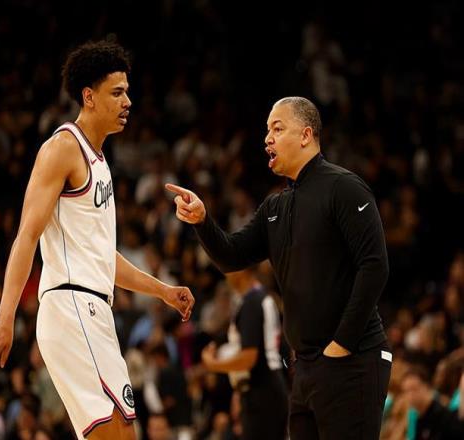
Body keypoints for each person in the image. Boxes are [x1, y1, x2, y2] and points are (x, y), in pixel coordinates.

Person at [0, 40, 195, 440]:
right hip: (71, 305)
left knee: (123, 432)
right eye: (117, 93)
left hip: (92, 308)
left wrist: (162, 291)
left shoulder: (100, 161)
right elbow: (27, 235)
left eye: (127, 91)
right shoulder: (63, 148)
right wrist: (5, 317)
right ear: (89, 97)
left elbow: (103, 257)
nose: (128, 101)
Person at [166, 96, 391, 439]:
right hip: (305, 367)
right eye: (267, 130)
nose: (267, 138)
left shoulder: (344, 187)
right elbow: (231, 256)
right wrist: (202, 221)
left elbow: (375, 266)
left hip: (353, 360)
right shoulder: (275, 206)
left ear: (306, 135)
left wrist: (341, 344)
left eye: (277, 128)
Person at [201, 267, 288, 439]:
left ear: (240, 270)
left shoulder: (251, 302)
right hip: (268, 388)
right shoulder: (260, 296)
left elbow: (249, 358)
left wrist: (213, 364)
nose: (226, 274)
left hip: (262, 393)